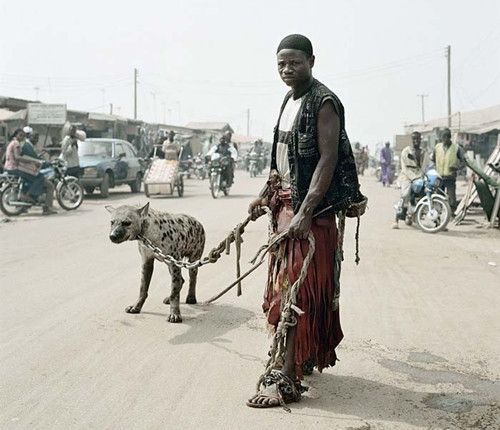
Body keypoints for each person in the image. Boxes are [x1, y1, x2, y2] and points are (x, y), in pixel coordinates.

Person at [247, 34, 364, 408]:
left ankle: (284, 377)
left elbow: (327, 160)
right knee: (289, 287)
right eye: (281, 63)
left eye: (294, 62)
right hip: (285, 210)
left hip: (307, 216)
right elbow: (282, 159)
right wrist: (265, 195)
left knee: (295, 292)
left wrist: (306, 211)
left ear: (312, 60)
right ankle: (300, 359)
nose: (286, 69)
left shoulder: (324, 102)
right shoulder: (288, 100)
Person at [4, 128, 55, 214]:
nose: (22, 137)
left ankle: (26, 204)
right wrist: (35, 161)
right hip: (15, 168)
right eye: (20, 135)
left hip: (10, 167)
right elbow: (18, 157)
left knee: (35, 176)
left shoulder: (13, 143)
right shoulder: (18, 143)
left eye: (23, 135)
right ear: (16, 135)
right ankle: (29, 196)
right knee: (39, 177)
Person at [393, 131, 425, 229]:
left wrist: (422, 176)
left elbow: (424, 166)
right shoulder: (406, 151)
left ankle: (417, 215)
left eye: (418, 139)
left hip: (418, 176)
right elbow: (404, 168)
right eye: (414, 139)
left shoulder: (423, 152)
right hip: (407, 176)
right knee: (406, 194)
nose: (416, 141)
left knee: (423, 193)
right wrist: (414, 177)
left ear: (420, 140)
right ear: (411, 140)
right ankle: (396, 219)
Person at [21, 127, 55, 213]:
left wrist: (39, 158)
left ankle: (24, 206)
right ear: (29, 137)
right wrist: (48, 163)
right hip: (29, 171)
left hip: (26, 169)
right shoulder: (27, 146)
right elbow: (35, 160)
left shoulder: (28, 145)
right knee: (50, 186)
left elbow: (34, 158)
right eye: (35, 137)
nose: (36, 140)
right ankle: (47, 208)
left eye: (37, 138)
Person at [431, 128, 465, 212]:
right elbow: (433, 159)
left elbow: (464, 162)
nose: (444, 140)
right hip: (439, 177)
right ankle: (437, 215)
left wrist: (457, 168)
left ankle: (452, 213)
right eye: (443, 137)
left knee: (451, 197)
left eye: (446, 137)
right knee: (438, 197)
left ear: (450, 138)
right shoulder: (437, 147)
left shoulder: (457, 148)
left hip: (450, 177)